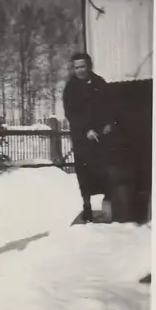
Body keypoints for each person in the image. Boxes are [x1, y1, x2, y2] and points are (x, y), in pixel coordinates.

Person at [63, 52, 116, 222]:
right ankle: (86, 206)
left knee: (105, 170)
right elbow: (71, 113)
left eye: (82, 67)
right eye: (77, 67)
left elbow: (111, 106)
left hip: (102, 137)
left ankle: (108, 204)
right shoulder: (70, 88)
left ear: (89, 66)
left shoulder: (100, 83)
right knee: (84, 173)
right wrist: (86, 130)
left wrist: (109, 123)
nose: (79, 70)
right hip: (82, 138)